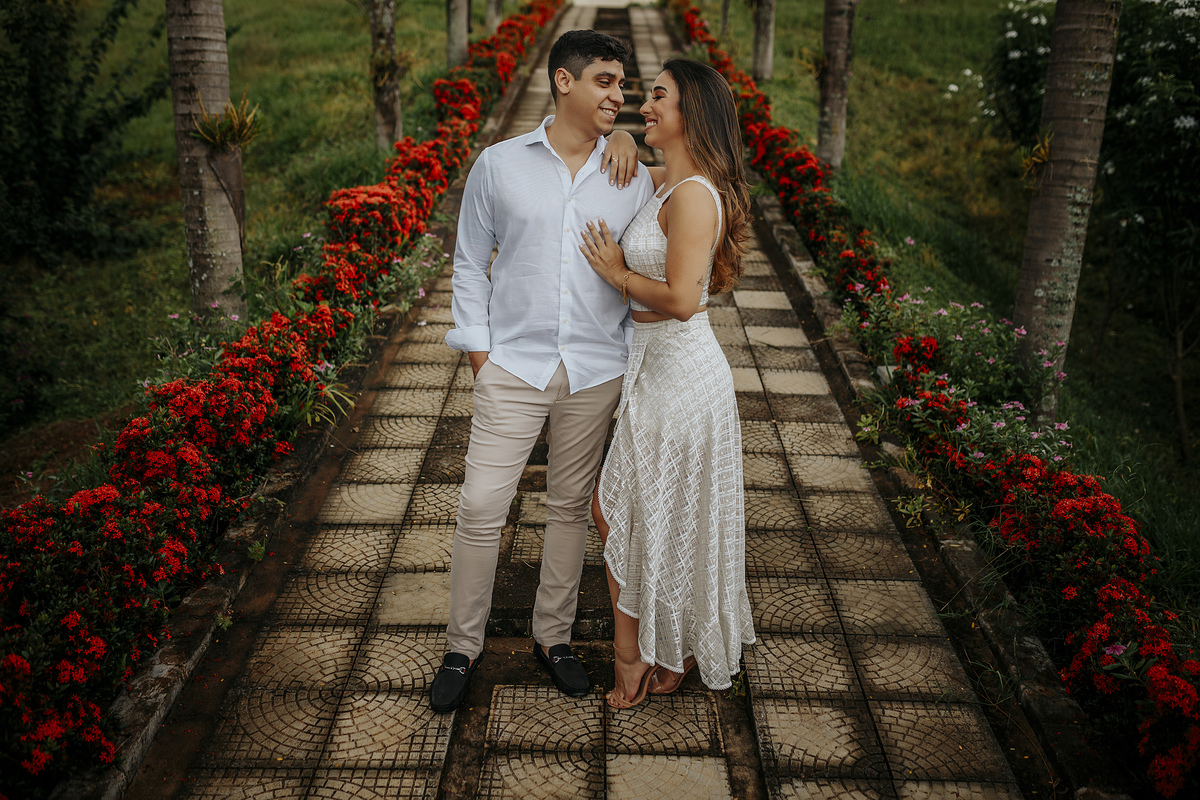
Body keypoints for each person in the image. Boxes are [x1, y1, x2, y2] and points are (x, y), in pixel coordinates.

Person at [430, 29, 654, 713]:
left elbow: (655, 246)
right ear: (565, 81)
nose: (620, 96)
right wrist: (478, 354)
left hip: (595, 367)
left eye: (623, 85)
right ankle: (461, 647)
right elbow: (470, 262)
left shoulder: (632, 175)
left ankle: (551, 637)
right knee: (478, 508)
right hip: (513, 366)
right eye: (607, 82)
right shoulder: (499, 165)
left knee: (567, 510)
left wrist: (630, 141)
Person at [578, 57, 756, 708]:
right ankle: (668, 649)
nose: (644, 104)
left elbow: (683, 298)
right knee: (658, 513)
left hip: (681, 371)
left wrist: (615, 274)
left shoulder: (694, 196)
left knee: (615, 508)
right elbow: (616, 159)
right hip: (652, 366)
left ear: (693, 115)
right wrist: (620, 137)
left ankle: (637, 659)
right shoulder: (666, 184)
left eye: (658, 97)